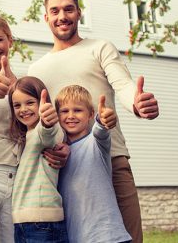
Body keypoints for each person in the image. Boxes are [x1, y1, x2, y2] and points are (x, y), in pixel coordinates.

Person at [28, 0, 159, 243]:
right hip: (67, 169)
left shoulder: (99, 48)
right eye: (54, 11)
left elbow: (123, 84)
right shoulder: (37, 68)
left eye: (69, 9)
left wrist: (137, 103)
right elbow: (34, 120)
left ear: (79, 13)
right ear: (46, 18)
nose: (62, 16)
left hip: (112, 159)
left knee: (130, 238)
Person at [0, 16, 68, 243]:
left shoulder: (24, 87)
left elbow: (42, 129)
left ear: (10, 40)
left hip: (17, 178)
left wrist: (63, 146)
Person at [56, 85, 132, 243]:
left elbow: (101, 130)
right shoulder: (60, 151)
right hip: (77, 237)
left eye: (77, 110)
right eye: (64, 111)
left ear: (90, 114)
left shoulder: (96, 143)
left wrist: (103, 119)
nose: (70, 116)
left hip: (108, 236)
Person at [8, 76, 68, 243]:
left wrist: (47, 121)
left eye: (30, 102)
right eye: (17, 105)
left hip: (42, 221)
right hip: (22, 221)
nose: (23, 109)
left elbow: (47, 133)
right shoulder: (26, 137)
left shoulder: (45, 132)